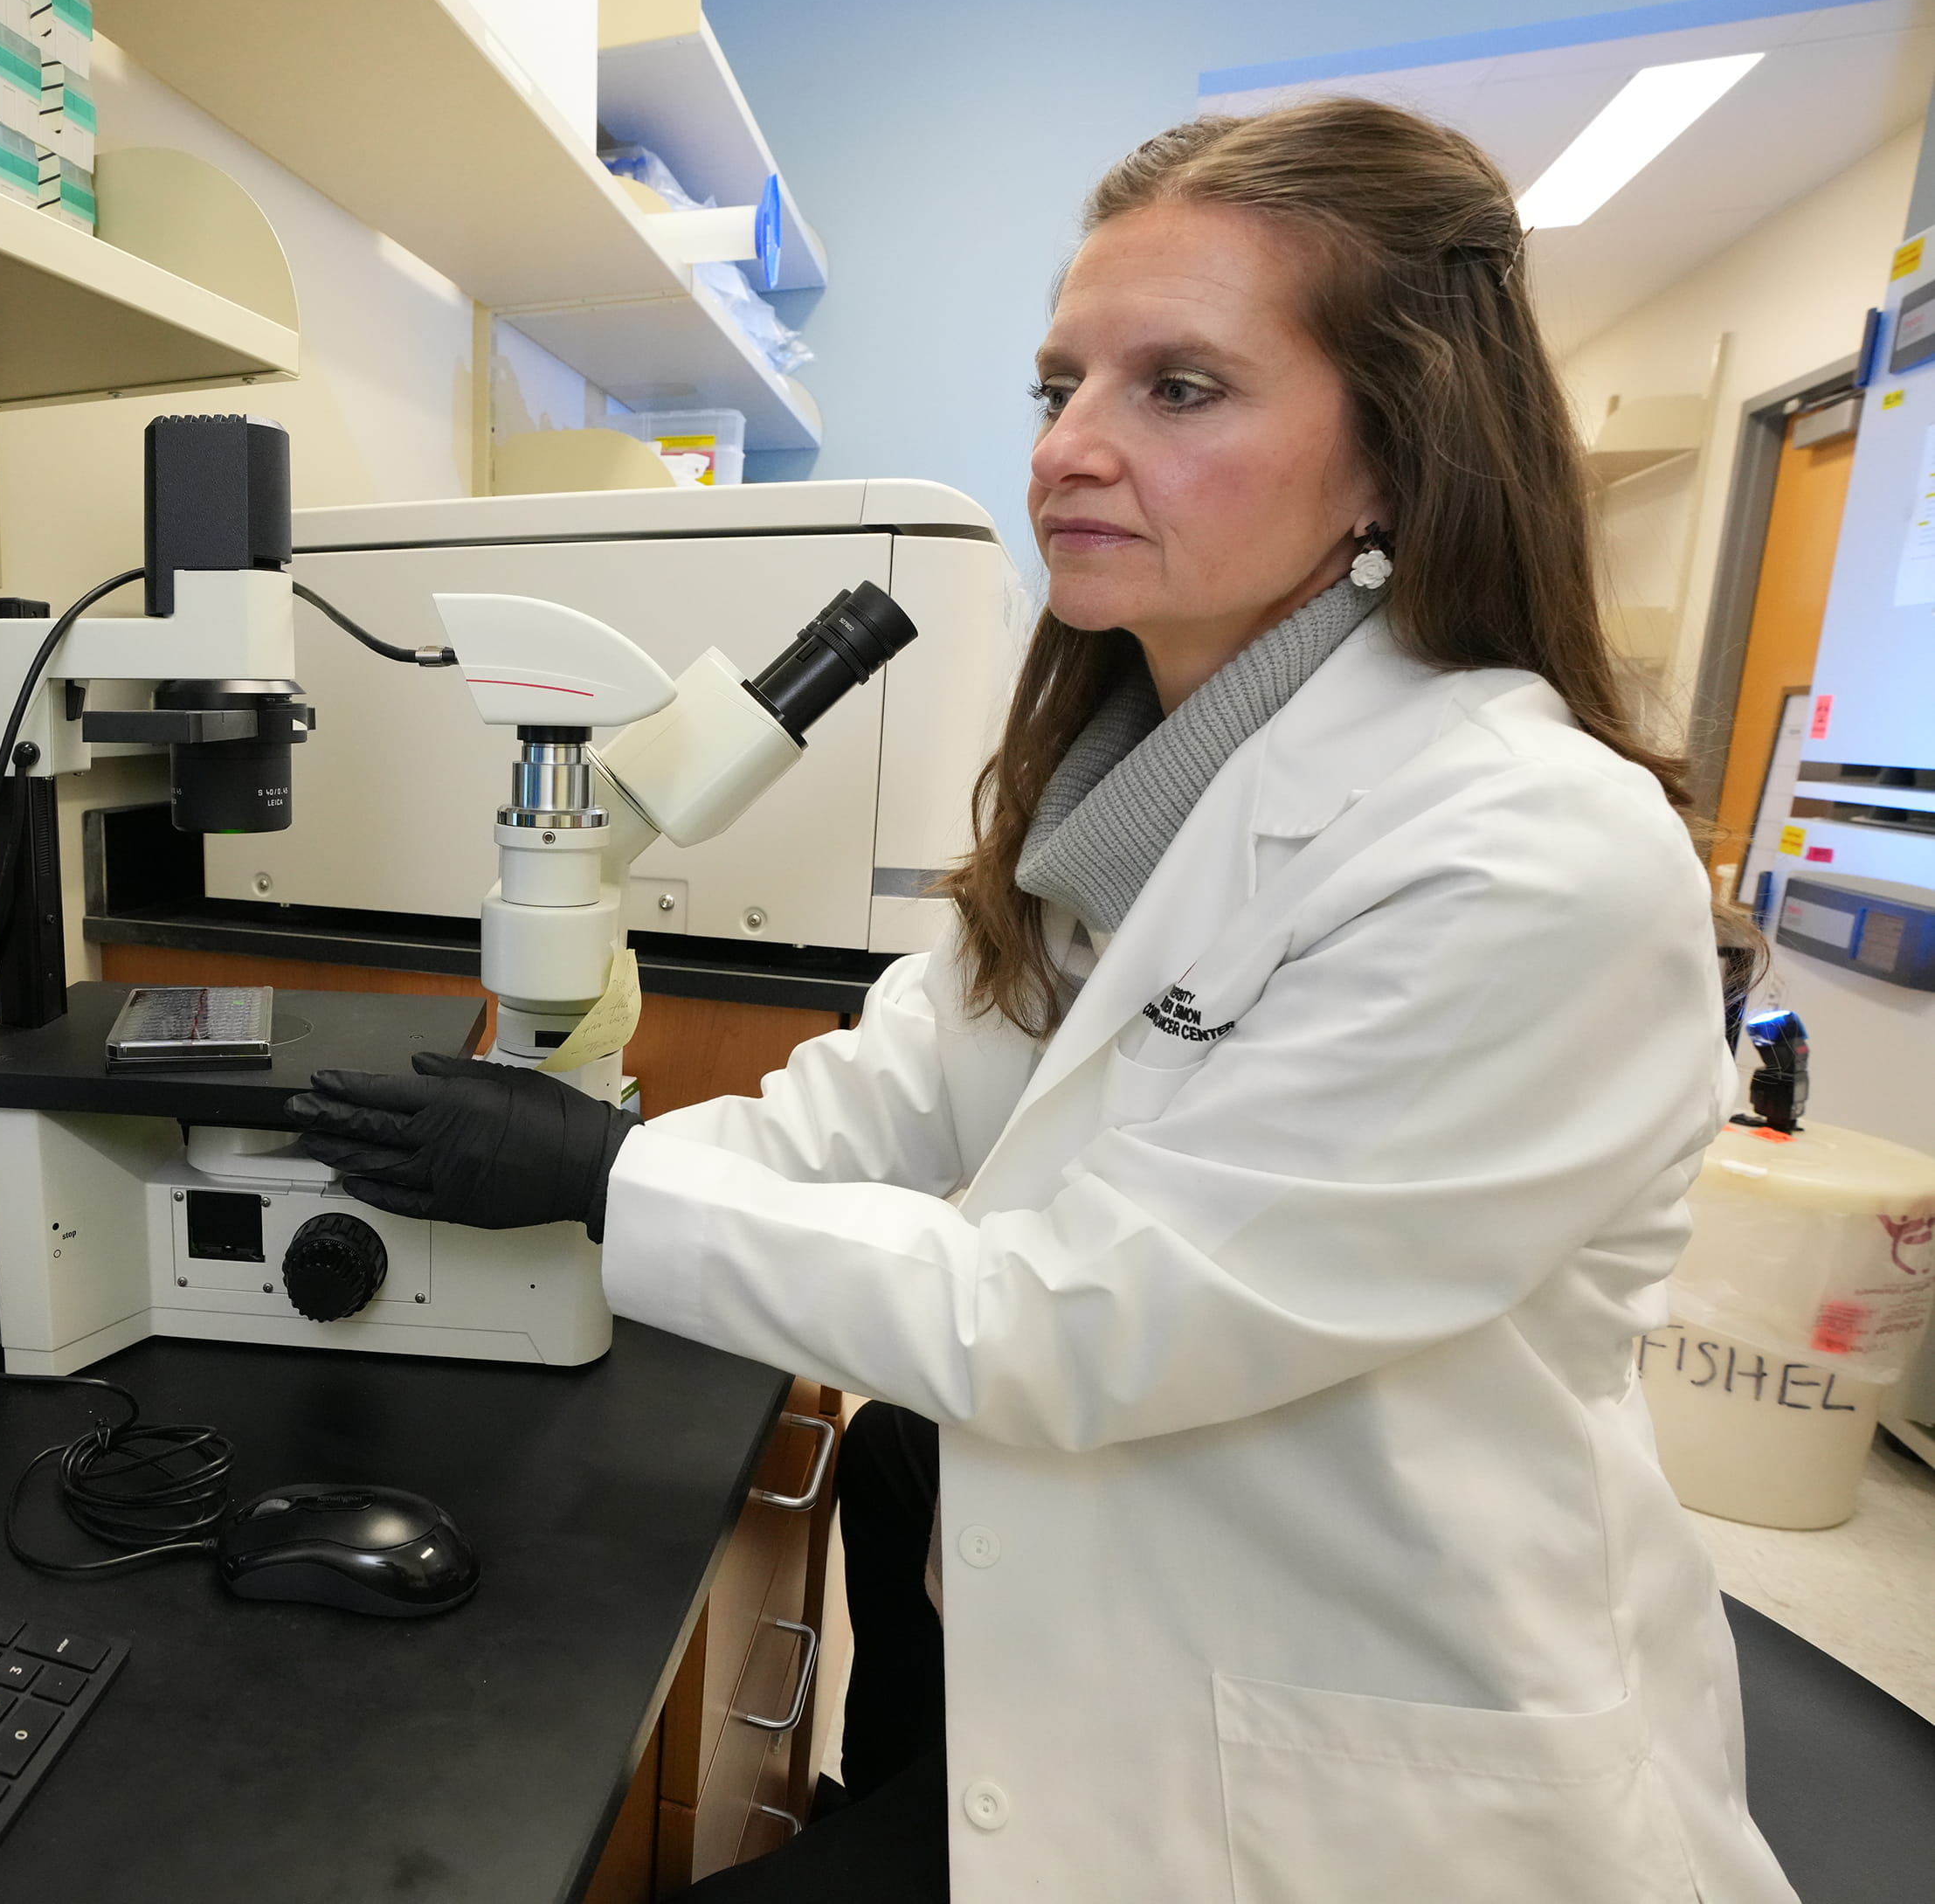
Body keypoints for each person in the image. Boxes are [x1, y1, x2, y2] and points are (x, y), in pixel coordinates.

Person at [287, 97, 1795, 1903]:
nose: (1071, 445)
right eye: (1059, 384)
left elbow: (1092, 1318)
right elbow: (889, 1103)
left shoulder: (1529, 853)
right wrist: (557, 1174)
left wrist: (602, 1187)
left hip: (1341, 1779)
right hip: (1071, 1670)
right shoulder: (1121, 782)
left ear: (1402, 446)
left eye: (1178, 388)